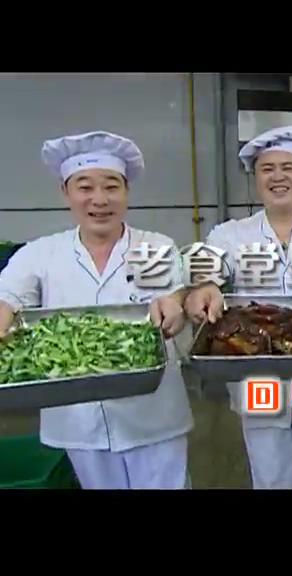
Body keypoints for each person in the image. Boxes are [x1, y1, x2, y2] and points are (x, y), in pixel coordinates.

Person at [0, 131, 194, 489]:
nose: (99, 199)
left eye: (111, 186)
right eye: (85, 187)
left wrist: (174, 305)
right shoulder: (40, 254)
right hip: (77, 422)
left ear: (126, 192)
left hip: (153, 418)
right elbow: (8, 295)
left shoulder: (155, 247)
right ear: (66, 193)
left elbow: (174, 292)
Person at [184, 125, 292, 489]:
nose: (278, 176)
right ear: (256, 180)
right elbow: (206, 273)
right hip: (256, 376)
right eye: (267, 169)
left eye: (288, 167)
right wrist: (205, 288)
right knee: (269, 475)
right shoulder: (229, 234)